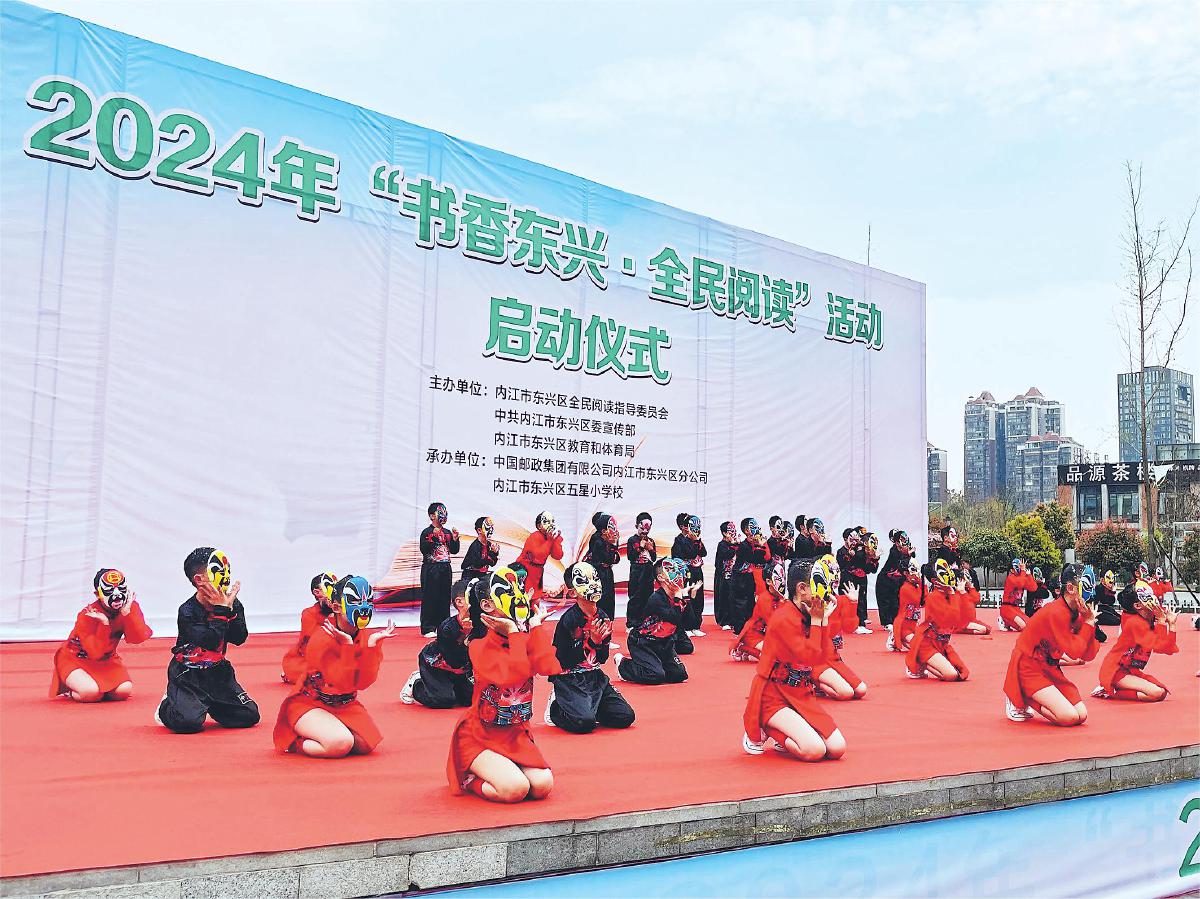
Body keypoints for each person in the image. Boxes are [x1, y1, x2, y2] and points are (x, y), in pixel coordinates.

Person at [448, 567, 559, 802]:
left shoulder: (523, 639)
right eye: (509, 592)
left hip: (515, 733)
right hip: (480, 735)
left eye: (519, 589)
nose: (519, 597)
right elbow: (513, 675)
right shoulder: (478, 647)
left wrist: (536, 627)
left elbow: (549, 667)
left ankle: (503, 768)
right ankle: (470, 779)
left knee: (543, 785)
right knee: (515, 789)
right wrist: (513, 632)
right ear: (487, 605)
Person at [274, 576, 395, 757]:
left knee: (365, 744)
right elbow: (342, 681)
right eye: (355, 601)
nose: (364, 607)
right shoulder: (321, 637)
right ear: (337, 607)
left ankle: (329, 730)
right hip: (309, 703)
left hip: (345, 704)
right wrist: (347, 647)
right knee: (341, 743)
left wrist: (371, 647)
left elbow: (363, 683)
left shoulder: (364, 635)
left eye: (368, 601)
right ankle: (295, 742)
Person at [742, 557, 846, 761]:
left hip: (801, 693)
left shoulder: (809, 613)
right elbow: (809, 656)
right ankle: (770, 729)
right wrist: (817, 622)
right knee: (814, 750)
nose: (825, 592)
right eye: (819, 585)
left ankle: (792, 730)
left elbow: (823, 657)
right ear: (802, 589)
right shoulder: (783, 619)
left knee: (837, 748)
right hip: (774, 696)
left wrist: (823, 621)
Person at [155, 548, 260, 734]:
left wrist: (231, 612)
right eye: (219, 572)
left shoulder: (233, 604)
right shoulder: (187, 611)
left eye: (228, 571)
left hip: (218, 673)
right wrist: (221, 612)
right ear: (199, 580)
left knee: (248, 715)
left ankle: (208, 703)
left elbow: (239, 638)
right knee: (188, 723)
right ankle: (167, 705)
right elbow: (209, 641)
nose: (226, 577)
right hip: (188, 675)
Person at [1003, 563, 1099, 725]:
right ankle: (1023, 696)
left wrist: (1088, 623)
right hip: (1029, 666)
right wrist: (1088, 624)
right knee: (1069, 717)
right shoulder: (1057, 612)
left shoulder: (1077, 613)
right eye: (1087, 586)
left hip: (1050, 667)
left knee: (1081, 714)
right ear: (1070, 588)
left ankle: (1033, 697)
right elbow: (1075, 652)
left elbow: (1088, 654)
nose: (1092, 592)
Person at [544, 562, 635, 733]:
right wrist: (591, 642)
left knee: (625, 716)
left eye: (595, 578)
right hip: (569, 679)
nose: (593, 584)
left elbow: (602, 659)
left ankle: (588, 708)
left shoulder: (603, 617)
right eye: (583, 581)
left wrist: (600, 643)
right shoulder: (568, 621)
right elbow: (562, 661)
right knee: (583, 724)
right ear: (573, 592)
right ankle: (556, 707)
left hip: (595, 677)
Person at [50, 569, 153, 702]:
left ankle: (98, 688)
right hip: (76, 659)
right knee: (90, 693)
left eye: (121, 588)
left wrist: (127, 614)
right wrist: (104, 625)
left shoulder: (129, 608)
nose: (117, 594)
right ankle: (71, 690)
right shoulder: (89, 614)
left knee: (123, 691)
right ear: (98, 594)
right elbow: (95, 653)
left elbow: (137, 638)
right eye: (109, 590)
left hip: (106, 660)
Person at [1093, 581, 1179, 701]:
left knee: (1162, 692)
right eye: (1147, 596)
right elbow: (1160, 647)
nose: (1153, 598)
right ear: (1138, 605)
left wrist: (1172, 624)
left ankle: (1115, 689)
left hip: (1130, 670)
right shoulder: (1134, 623)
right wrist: (1161, 622)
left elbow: (1168, 649)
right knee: (1156, 693)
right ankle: (1110, 692)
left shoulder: (1146, 618)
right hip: (1116, 670)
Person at [614, 558, 694, 685]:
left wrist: (687, 598)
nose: (679, 574)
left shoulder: (678, 597)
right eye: (672, 570)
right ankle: (624, 665)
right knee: (655, 675)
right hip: (643, 642)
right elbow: (673, 617)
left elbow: (690, 622)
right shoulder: (656, 599)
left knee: (679, 675)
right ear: (661, 577)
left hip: (665, 642)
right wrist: (679, 598)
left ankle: (655, 665)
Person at [401, 579, 474, 708]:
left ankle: (451, 688)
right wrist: (466, 637)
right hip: (436, 665)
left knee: (470, 700)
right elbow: (453, 660)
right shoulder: (447, 628)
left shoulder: (482, 622)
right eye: (472, 595)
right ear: (459, 602)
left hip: (461, 668)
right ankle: (417, 684)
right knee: (444, 700)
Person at [905, 560, 970, 681]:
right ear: (935, 581)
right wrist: (953, 594)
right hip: (926, 644)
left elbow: (967, 617)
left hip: (942, 644)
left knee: (963, 672)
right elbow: (953, 619)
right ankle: (921, 661)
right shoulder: (933, 598)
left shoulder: (950, 595)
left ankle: (926, 662)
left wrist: (962, 592)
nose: (950, 574)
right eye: (944, 572)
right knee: (951, 675)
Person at [818, 556, 868, 700]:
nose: (835, 575)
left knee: (861, 690)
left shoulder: (840, 600)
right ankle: (813, 682)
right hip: (817, 659)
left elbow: (849, 628)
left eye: (837, 570)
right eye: (831, 571)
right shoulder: (813, 602)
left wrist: (853, 603)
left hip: (834, 657)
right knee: (846, 693)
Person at [281, 572, 336, 684]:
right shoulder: (309, 614)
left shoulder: (341, 612)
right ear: (317, 592)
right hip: (310, 660)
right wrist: (332, 618)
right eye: (329, 588)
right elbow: (313, 645)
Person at [730, 559, 788, 662]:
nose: (782, 581)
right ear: (769, 581)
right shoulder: (764, 599)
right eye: (778, 578)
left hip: (766, 634)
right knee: (774, 656)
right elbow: (773, 623)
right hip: (754, 634)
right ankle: (743, 647)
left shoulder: (780, 597)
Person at [419, 502, 461, 637]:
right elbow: (424, 549)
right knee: (430, 597)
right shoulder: (427, 532)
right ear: (432, 516)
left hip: (445, 567)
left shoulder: (447, 532)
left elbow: (454, 550)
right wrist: (433, 538)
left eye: (445, 512)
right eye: (440, 512)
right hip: (431, 568)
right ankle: (428, 628)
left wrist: (455, 539)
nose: (444, 515)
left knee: (444, 597)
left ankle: (443, 626)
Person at [731, 519, 771, 633]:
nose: (757, 529)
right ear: (746, 530)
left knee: (750, 602)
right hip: (740, 577)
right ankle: (739, 629)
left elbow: (767, 558)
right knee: (741, 603)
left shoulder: (756, 544)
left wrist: (763, 545)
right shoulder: (743, 546)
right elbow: (754, 558)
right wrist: (761, 546)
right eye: (753, 527)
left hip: (750, 577)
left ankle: (749, 627)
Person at [672, 513, 707, 637]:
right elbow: (690, 553)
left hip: (697, 571)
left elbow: (704, 553)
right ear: (683, 527)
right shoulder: (679, 540)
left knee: (698, 598)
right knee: (688, 599)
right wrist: (693, 541)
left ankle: (696, 626)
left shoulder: (696, 539)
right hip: (687, 573)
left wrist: (697, 541)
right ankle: (686, 627)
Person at [514, 511, 564, 599]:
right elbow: (538, 555)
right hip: (524, 569)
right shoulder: (534, 536)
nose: (551, 524)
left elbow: (557, 556)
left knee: (535, 596)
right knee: (523, 595)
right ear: (539, 526)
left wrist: (555, 540)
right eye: (546, 522)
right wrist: (550, 541)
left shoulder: (550, 537)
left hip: (538, 571)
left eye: (552, 521)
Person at [584, 512, 621, 621]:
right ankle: (600, 624)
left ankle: (608, 623)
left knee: (609, 599)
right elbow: (609, 558)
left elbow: (616, 559)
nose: (614, 529)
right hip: (598, 573)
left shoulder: (606, 538)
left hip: (606, 572)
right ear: (604, 531)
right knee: (601, 599)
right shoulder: (597, 540)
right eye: (611, 527)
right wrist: (613, 544)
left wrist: (614, 545)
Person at [836, 528, 873, 634]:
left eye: (856, 540)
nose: (854, 542)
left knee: (859, 601)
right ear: (845, 539)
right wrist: (849, 556)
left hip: (857, 580)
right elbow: (842, 566)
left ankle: (860, 624)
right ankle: (845, 624)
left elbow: (862, 565)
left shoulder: (858, 550)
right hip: (845, 580)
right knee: (845, 602)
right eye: (851, 540)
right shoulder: (841, 551)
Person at [876, 529, 912, 632]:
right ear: (896, 542)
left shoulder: (906, 550)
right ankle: (886, 623)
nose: (905, 541)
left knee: (895, 601)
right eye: (902, 539)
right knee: (885, 602)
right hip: (885, 579)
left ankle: (895, 621)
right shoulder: (894, 551)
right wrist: (907, 554)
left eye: (905, 539)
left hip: (895, 580)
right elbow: (899, 564)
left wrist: (909, 554)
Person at [626, 513, 658, 629]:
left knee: (648, 596)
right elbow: (630, 556)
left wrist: (651, 549)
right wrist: (640, 547)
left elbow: (653, 558)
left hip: (648, 571)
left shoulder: (651, 541)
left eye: (647, 529)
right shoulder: (632, 540)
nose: (645, 531)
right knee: (635, 596)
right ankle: (631, 623)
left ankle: (645, 622)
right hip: (637, 570)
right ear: (636, 526)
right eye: (642, 528)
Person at [888, 559, 924, 653]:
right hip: (904, 627)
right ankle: (896, 636)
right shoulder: (906, 588)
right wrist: (920, 583)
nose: (917, 573)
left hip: (914, 626)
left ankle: (899, 639)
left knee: (926, 645)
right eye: (913, 570)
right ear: (906, 573)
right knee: (920, 648)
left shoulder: (916, 586)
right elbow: (917, 599)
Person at [713, 521, 740, 631]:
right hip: (723, 575)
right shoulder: (722, 545)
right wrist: (734, 545)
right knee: (723, 597)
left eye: (734, 531)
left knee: (733, 597)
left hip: (734, 575)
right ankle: (724, 620)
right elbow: (728, 554)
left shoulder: (736, 544)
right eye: (730, 531)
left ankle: (733, 620)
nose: (733, 533)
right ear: (724, 533)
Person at [999, 559, 1036, 632]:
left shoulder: (1022, 577)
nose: (1019, 568)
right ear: (1011, 570)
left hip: (1016, 608)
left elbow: (1033, 588)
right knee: (1024, 627)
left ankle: (1007, 622)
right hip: (1007, 608)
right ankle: (1003, 620)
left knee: (1031, 625)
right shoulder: (1010, 578)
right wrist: (1023, 571)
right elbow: (1020, 583)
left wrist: (1028, 575)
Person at [956, 560, 992, 635]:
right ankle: (959, 630)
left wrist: (970, 586)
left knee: (987, 630)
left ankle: (963, 630)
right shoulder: (958, 592)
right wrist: (962, 591)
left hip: (971, 620)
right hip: (962, 621)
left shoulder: (968, 590)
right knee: (983, 630)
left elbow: (976, 599)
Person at [462, 517, 500, 583]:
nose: (491, 531)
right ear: (479, 530)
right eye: (488, 528)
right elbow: (477, 564)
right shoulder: (475, 546)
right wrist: (492, 553)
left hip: (482, 575)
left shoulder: (489, 544)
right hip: (470, 575)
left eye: (492, 528)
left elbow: (493, 563)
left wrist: (495, 553)